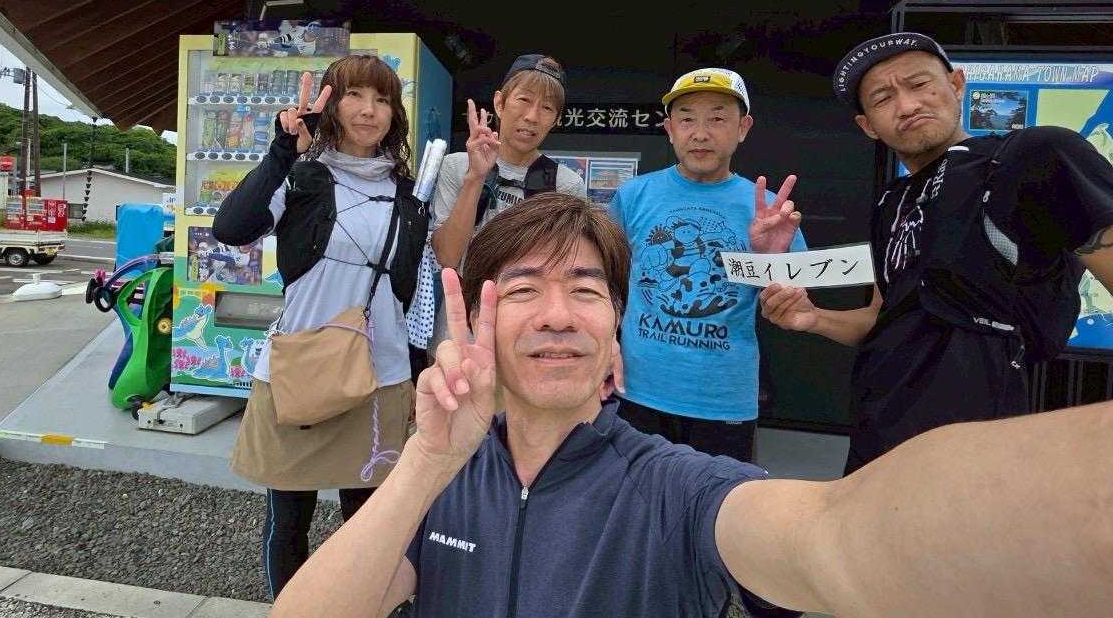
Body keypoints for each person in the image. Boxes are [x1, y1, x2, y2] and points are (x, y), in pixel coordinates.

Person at [268, 193, 1113, 618]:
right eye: (521, 289)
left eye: (586, 290)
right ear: (478, 323)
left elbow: (840, 536)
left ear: (616, 333)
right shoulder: (443, 478)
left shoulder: (677, 487)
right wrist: (425, 459)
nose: (557, 314)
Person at [760, 32, 1113, 472]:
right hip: (876, 436)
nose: (907, 105)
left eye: (919, 83)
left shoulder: (1031, 157)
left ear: (957, 84)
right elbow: (882, 317)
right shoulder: (891, 202)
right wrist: (813, 318)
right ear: (868, 125)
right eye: (883, 98)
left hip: (976, 444)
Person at [211, 56, 428, 600]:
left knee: (371, 524)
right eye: (355, 95)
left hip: (381, 377)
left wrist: (419, 375)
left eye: (382, 99)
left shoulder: (408, 195)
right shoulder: (302, 176)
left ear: (394, 114)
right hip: (300, 372)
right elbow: (231, 227)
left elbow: (409, 294)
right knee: (289, 521)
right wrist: (282, 149)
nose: (369, 110)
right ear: (331, 103)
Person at [608, 68, 804, 461]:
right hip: (636, 388)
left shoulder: (767, 210)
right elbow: (605, 281)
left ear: (743, 128)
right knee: (633, 495)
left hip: (723, 397)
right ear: (669, 129)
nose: (700, 133)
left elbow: (793, 304)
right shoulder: (633, 196)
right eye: (687, 120)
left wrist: (770, 263)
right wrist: (605, 343)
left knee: (717, 498)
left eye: (717, 118)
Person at [429, 54, 587, 271]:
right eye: (524, 100)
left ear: (557, 119)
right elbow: (447, 257)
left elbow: (566, 266)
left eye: (547, 108)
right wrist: (475, 177)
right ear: (499, 103)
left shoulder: (567, 185)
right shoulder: (456, 166)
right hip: (465, 293)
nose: (532, 116)